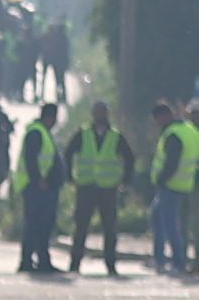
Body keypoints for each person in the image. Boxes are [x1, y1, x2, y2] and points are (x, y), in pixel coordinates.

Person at [67, 97, 133, 278]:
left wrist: (125, 181)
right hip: (86, 186)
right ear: (93, 114)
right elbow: (68, 152)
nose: (100, 116)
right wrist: (70, 177)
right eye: (97, 112)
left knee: (110, 229)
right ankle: (74, 264)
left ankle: (110, 265)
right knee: (81, 226)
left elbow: (129, 157)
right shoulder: (83, 133)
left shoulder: (115, 136)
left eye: (102, 112)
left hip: (107, 189)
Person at [9, 97, 64, 275]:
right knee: (35, 225)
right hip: (36, 188)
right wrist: (38, 179)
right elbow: (30, 159)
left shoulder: (42, 132)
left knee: (43, 226)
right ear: (50, 117)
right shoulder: (36, 132)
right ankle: (27, 261)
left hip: (42, 187)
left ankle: (42, 261)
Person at [139, 97, 192, 273]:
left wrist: (162, 179)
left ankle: (178, 262)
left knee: (170, 225)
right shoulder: (181, 129)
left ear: (163, 116)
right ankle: (159, 259)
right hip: (176, 183)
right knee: (156, 218)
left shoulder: (172, 134)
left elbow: (172, 161)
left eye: (156, 119)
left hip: (171, 185)